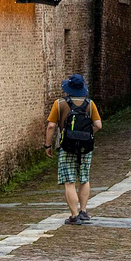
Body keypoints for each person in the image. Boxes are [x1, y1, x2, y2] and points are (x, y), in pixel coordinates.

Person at [46, 73, 102, 224]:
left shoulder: (59, 104)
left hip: (67, 146)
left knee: (69, 181)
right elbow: (98, 125)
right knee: (84, 179)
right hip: (85, 147)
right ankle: (83, 211)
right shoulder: (90, 104)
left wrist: (48, 145)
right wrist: (86, 134)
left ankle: (74, 215)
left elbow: (51, 126)